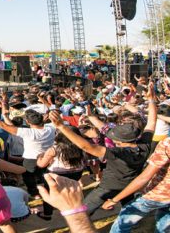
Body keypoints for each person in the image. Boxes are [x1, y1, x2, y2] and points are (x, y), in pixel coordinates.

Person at [49, 86, 157, 216]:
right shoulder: (144, 145)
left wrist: (61, 126)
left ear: (119, 141)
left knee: (82, 212)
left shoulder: (117, 153)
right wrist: (151, 100)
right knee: (128, 208)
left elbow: (87, 147)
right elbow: (152, 121)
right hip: (130, 185)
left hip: (108, 187)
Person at [102, 135, 170, 233]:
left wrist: (114, 200)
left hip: (157, 195)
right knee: (164, 224)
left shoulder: (167, 143)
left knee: (123, 222)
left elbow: (144, 177)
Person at [0, 108, 55, 198]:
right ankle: (49, 191)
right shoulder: (51, 128)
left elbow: (3, 125)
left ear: (28, 122)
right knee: (46, 176)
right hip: (48, 157)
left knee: (28, 177)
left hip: (30, 159)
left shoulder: (27, 132)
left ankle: (35, 194)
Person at [36, 128, 85, 220]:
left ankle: (47, 213)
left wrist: (39, 157)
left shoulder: (54, 149)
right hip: (77, 172)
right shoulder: (81, 144)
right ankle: (74, 209)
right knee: (71, 190)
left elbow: (41, 164)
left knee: (50, 192)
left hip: (57, 174)